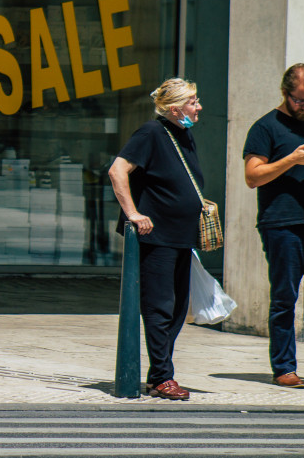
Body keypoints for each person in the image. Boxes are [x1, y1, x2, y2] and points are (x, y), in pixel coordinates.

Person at [243, 63, 304, 389]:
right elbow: (252, 176)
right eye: (300, 100)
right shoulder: (265, 128)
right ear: (285, 93)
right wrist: (290, 161)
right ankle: (284, 367)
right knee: (285, 298)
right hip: (282, 225)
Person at [108, 78, 204, 401]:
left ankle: (158, 374)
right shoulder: (151, 133)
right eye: (193, 101)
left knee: (177, 310)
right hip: (158, 237)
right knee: (160, 309)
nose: (199, 106)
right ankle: (163, 377)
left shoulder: (184, 134)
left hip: (182, 237)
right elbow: (117, 170)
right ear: (175, 108)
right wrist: (133, 213)